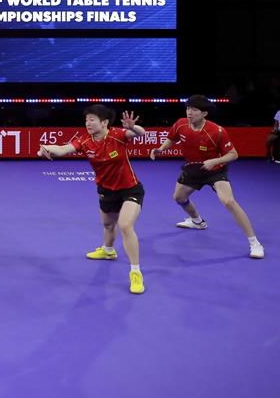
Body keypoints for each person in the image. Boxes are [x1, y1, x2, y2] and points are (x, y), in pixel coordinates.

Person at [38, 105, 147, 295]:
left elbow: (140, 134)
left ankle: (135, 272)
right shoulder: (85, 140)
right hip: (106, 190)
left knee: (125, 225)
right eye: (86, 119)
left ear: (104, 122)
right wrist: (47, 148)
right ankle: (108, 250)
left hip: (130, 188)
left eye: (92, 119)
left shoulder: (118, 135)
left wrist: (132, 127)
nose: (87, 123)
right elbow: (63, 149)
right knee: (107, 225)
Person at [151, 95, 265, 259]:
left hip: (215, 171)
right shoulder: (180, 124)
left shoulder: (216, 131)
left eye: (194, 110)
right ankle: (197, 221)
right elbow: (171, 139)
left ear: (204, 113)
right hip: (193, 169)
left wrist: (215, 161)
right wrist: (161, 149)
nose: (189, 112)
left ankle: (255, 243)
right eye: (188, 108)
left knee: (228, 201)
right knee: (178, 197)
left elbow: (233, 154)